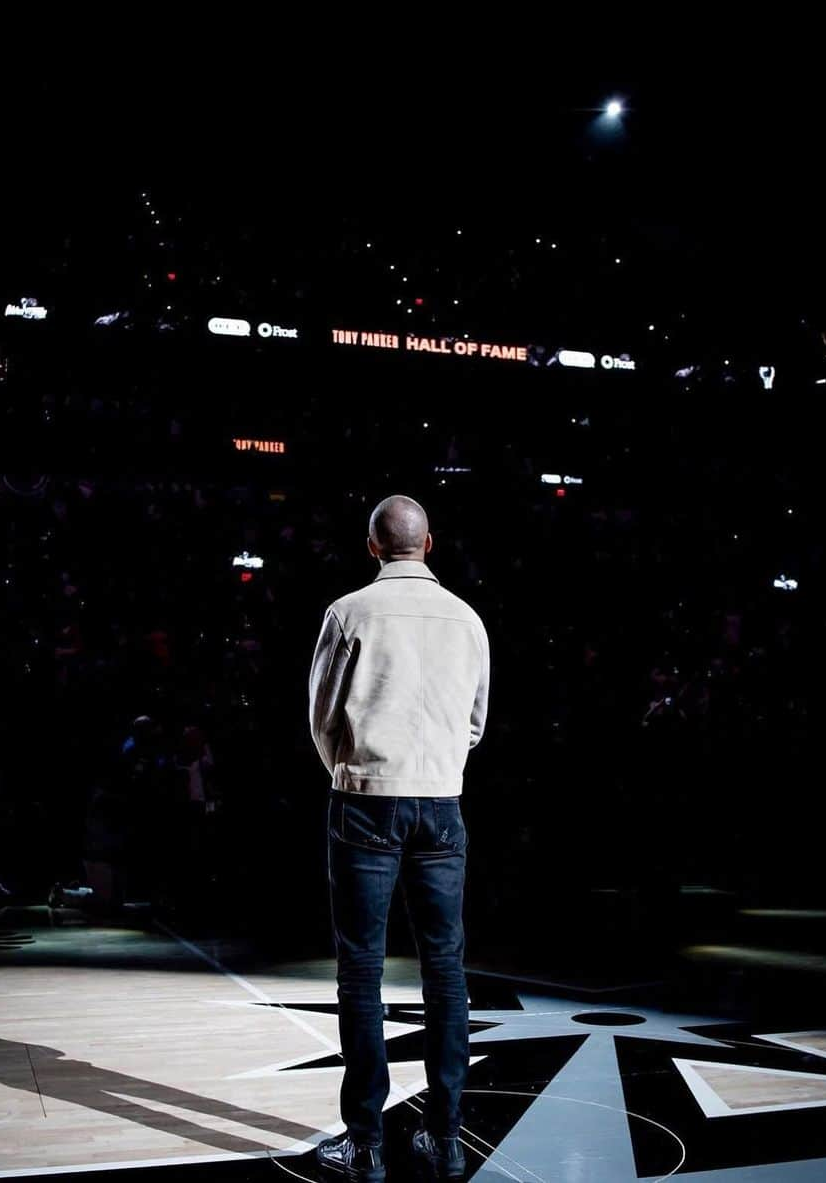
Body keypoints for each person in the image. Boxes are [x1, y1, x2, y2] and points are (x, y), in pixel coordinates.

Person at [309, 495, 490, 1182]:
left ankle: (365, 1144)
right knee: (446, 969)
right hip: (441, 801)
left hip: (365, 800)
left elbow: (321, 716)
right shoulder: (467, 619)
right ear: (429, 544)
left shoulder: (348, 611)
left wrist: (355, 770)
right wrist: (437, 768)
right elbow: (475, 721)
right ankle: (445, 1137)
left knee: (362, 969)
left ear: (372, 546)